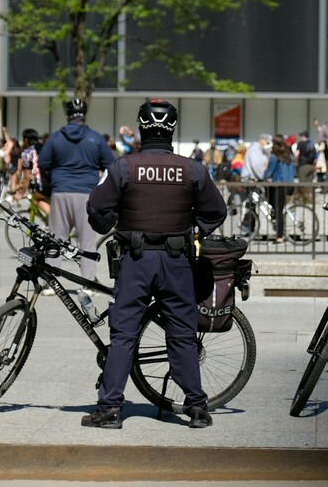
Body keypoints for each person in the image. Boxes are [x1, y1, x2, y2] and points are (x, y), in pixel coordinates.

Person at [84, 99, 227, 430]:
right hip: (178, 262)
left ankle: (109, 409)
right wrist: (193, 229)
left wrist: (111, 225)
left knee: (124, 333)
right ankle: (196, 408)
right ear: (173, 129)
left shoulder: (124, 167)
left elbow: (97, 208)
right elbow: (216, 212)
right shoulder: (191, 169)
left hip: (135, 260)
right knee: (181, 333)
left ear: (140, 126)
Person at [38, 98, 114, 289]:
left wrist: (55, 176)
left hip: (60, 190)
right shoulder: (95, 138)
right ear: (84, 115)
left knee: (56, 238)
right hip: (86, 192)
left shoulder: (55, 137)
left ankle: (51, 285)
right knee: (87, 240)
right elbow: (110, 165)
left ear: (68, 115)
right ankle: (87, 284)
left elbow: (43, 162)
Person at [262, 134, 296, 244]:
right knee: (279, 209)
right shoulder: (288, 155)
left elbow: (268, 172)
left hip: (279, 185)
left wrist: (263, 178)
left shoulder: (274, 156)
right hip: (289, 185)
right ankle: (279, 231)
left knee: (278, 211)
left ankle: (280, 236)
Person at [14, 128, 50, 216]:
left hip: (43, 185)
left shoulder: (28, 152)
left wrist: (21, 193)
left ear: (25, 140)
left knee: (36, 199)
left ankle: (56, 220)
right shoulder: (46, 148)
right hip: (55, 181)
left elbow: (27, 176)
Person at [294, 130, 318, 201]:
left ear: (303, 136)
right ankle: (310, 199)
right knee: (309, 183)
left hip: (302, 166)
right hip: (311, 166)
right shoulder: (312, 144)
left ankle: (303, 199)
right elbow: (315, 157)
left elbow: (296, 154)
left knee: (302, 183)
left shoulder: (300, 144)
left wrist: (297, 162)